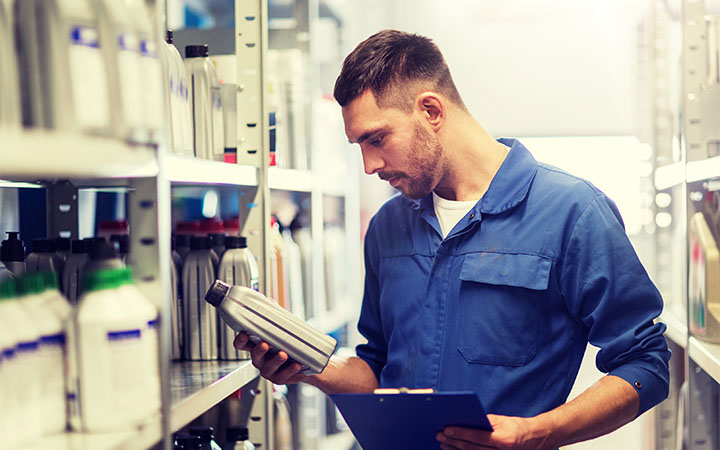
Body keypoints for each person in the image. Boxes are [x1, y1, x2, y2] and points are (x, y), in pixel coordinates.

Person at [234, 29, 670, 449]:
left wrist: (543, 432)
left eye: (377, 139)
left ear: (432, 111)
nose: (368, 165)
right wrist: (308, 368)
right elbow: (376, 369)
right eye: (358, 146)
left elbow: (644, 363)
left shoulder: (571, 212)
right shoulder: (389, 226)